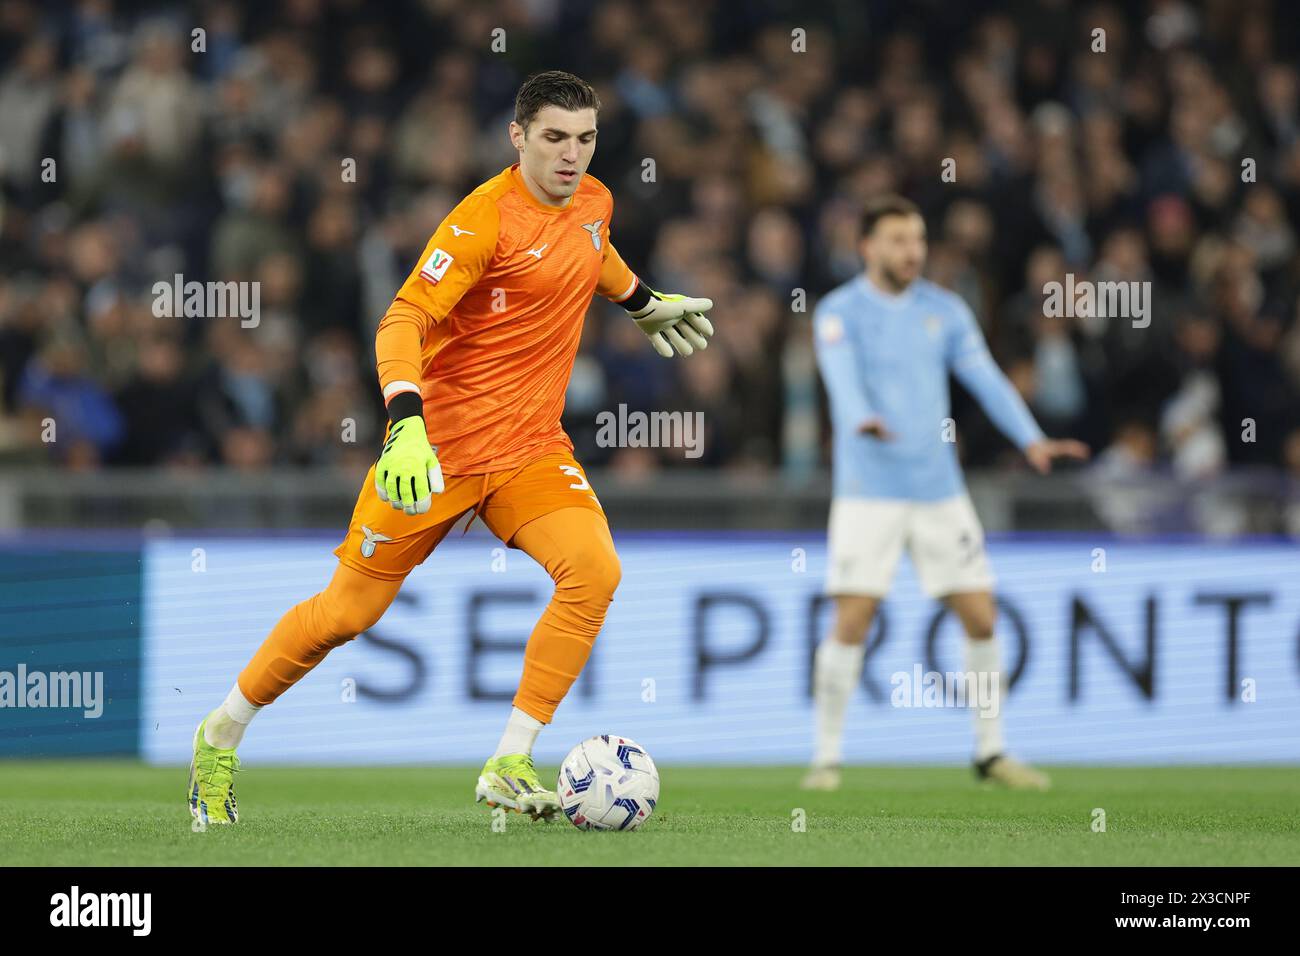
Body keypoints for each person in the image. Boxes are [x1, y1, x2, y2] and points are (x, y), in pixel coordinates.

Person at [186, 71, 715, 824]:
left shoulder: (595, 201)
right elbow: (401, 320)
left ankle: (509, 759)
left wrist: (641, 301)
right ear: (518, 137)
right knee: (345, 615)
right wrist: (405, 424)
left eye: (586, 139)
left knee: (594, 571)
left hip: (531, 449)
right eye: (555, 138)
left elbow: (592, 252)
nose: (572, 155)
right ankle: (220, 732)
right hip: (435, 454)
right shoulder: (482, 220)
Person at [804, 195, 1089, 792]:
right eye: (899, 240)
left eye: (919, 239)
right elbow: (840, 378)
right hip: (868, 491)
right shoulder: (838, 311)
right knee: (852, 620)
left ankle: (991, 753)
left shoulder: (945, 309)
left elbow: (986, 377)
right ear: (868, 247)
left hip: (938, 489)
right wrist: (860, 418)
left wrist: (1031, 439)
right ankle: (825, 758)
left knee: (981, 616)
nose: (913, 251)